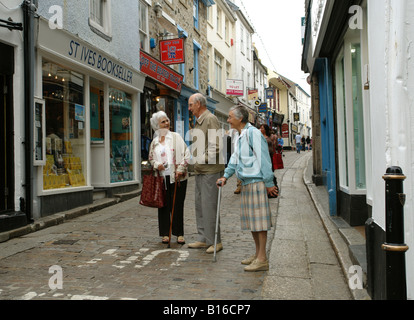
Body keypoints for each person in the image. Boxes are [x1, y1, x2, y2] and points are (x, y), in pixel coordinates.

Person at [216, 105, 278, 272]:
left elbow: (264, 158)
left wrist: (269, 182)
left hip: (257, 181)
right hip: (246, 182)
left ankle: (262, 258)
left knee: (259, 221)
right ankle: (257, 254)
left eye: (229, 117)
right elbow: (235, 158)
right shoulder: (240, 135)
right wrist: (226, 175)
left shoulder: (253, 133)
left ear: (240, 119)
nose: (228, 120)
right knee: (253, 221)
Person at [188, 93, 225, 254]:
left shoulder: (210, 119)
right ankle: (203, 238)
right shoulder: (199, 122)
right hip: (200, 170)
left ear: (198, 104)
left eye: (190, 105)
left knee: (209, 205)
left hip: (210, 170)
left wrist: (200, 160)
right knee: (200, 205)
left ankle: (215, 241)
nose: (189, 108)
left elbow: (215, 145)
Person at [148, 111, 190, 245]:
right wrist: (156, 164)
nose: (166, 123)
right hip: (162, 178)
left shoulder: (176, 137)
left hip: (177, 177)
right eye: (163, 122)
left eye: (167, 120)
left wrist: (181, 169)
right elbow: (150, 158)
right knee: (163, 206)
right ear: (157, 126)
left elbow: (187, 154)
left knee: (177, 205)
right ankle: (165, 233)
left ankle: (179, 233)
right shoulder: (154, 142)